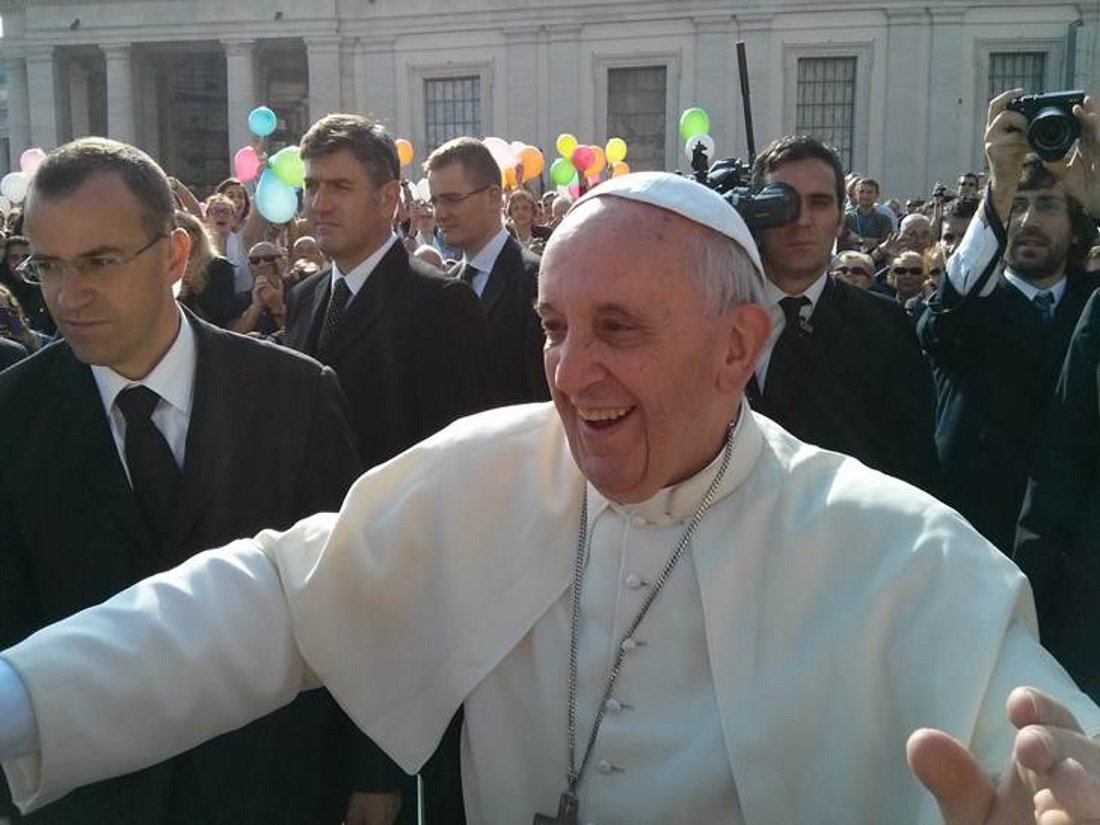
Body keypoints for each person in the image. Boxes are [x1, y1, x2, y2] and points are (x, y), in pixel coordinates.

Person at [3, 170, 1100, 825]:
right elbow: (268, 601)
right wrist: (22, 700)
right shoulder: (489, 470)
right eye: (553, 326)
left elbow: (1035, 738)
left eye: (617, 329)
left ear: (737, 345)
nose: (570, 375)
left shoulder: (895, 550)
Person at [0, 137, 366, 824]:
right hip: (91, 801)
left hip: (271, 784)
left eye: (99, 262)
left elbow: (349, 590)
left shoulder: (294, 395)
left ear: (173, 255)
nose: (66, 296)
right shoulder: (12, 418)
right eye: (46, 266)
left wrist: (372, 770)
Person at [283, 114, 492, 823]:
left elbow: (462, 480)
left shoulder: (441, 304)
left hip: (404, 603)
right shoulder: (306, 297)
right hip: (317, 593)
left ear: (389, 199)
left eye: (339, 186)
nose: (319, 203)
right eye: (313, 186)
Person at [918, 89, 1100, 553]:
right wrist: (1000, 181)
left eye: (1048, 205)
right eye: (1018, 206)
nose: (1027, 221)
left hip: (1071, 553)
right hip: (973, 542)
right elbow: (947, 315)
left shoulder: (1090, 307)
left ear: (1077, 223)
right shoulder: (972, 303)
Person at [745, 135, 940, 494]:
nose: (802, 220)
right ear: (758, 214)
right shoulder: (714, 321)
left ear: (840, 220)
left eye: (819, 203)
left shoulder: (885, 326)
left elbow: (912, 468)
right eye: (784, 202)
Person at [426, 137, 549, 406]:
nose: (440, 214)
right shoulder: (446, 286)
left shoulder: (536, 282)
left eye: (451, 199)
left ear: (493, 197)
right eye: (435, 201)